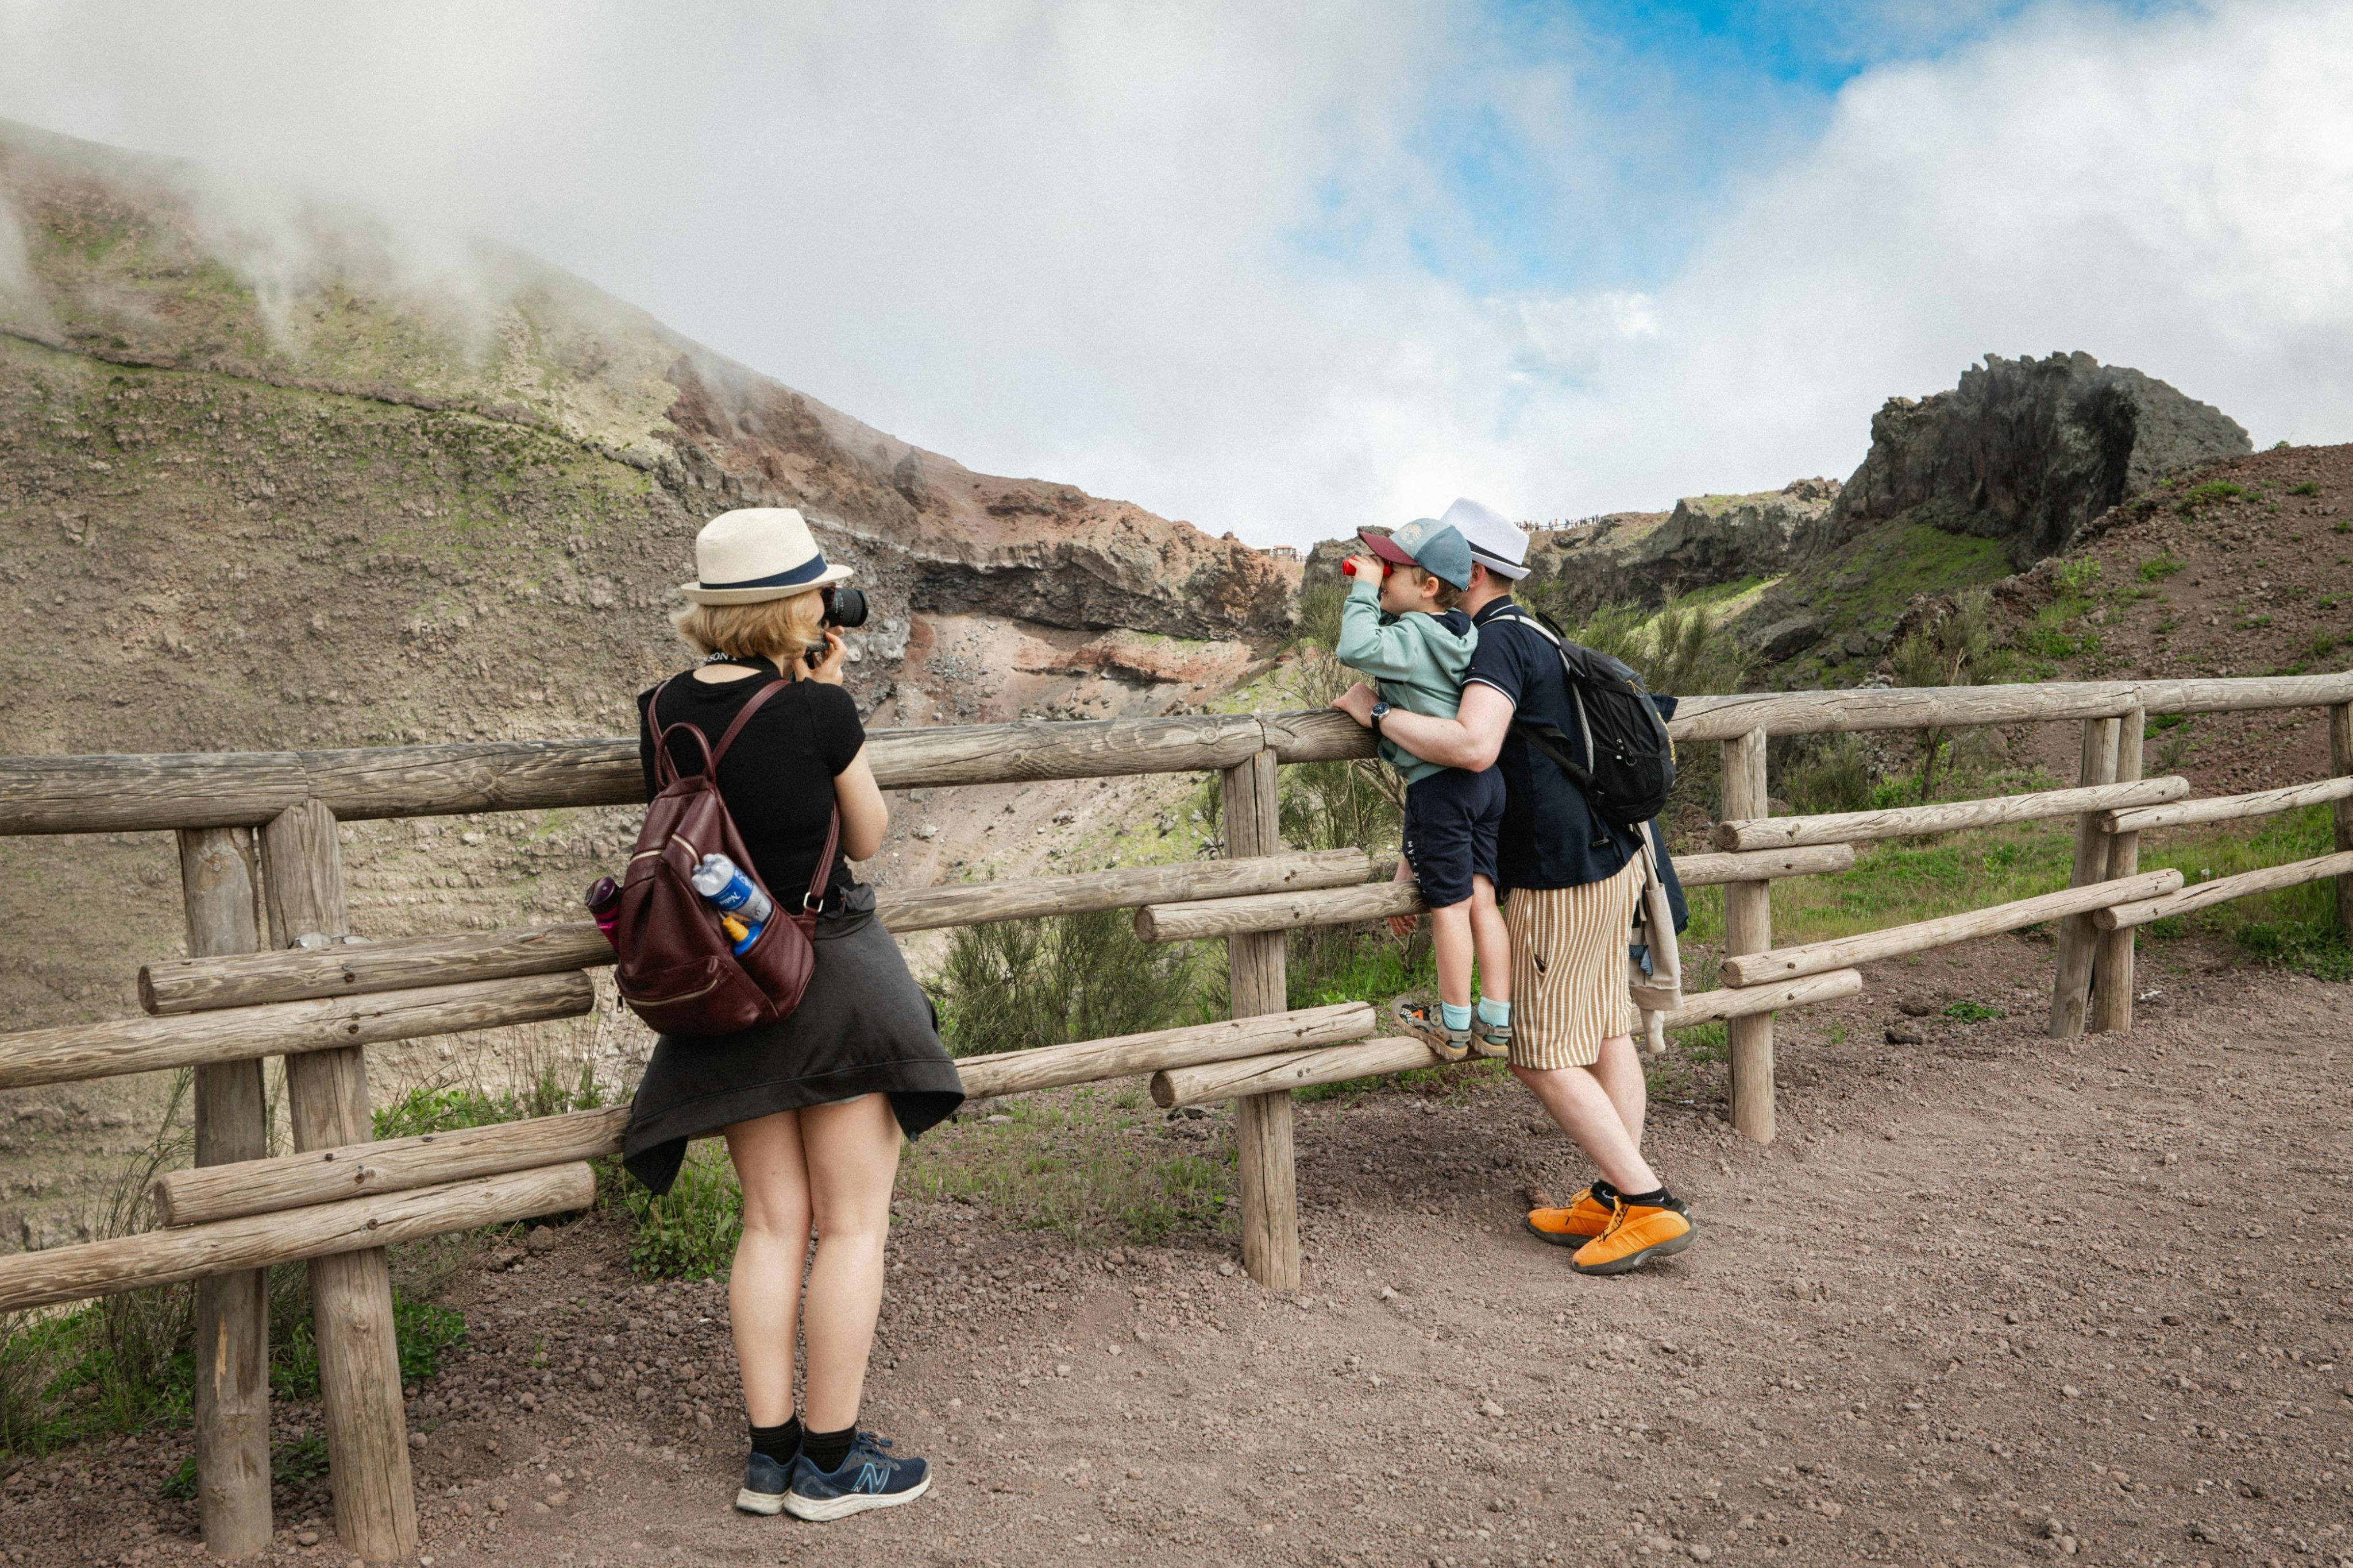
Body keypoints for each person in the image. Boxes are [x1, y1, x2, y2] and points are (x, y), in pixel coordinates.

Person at [621, 507, 964, 1519]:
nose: (829, 602)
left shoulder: (659, 712)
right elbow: (865, 835)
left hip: (725, 988)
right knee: (852, 1226)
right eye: (818, 590)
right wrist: (825, 699)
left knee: (771, 1224)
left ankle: (769, 1457)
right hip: (830, 981)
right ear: (793, 608)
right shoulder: (818, 713)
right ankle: (832, 1461)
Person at [1332, 497, 1695, 1278]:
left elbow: (1472, 744)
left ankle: (1647, 1200)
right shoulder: (1536, 630)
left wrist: (1382, 715)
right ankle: (1613, 1193)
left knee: (1533, 1051)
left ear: (1463, 571)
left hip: (1563, 871)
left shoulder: (1495, 642)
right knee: (1604, 1032)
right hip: (1614, 851)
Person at [1333, 516, 1514, 1062]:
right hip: (1485, 785)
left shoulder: (1412, 635)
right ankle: (1497, 1021)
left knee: (1450, 909)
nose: (1383, 574)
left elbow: (1355, 647)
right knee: (1483, 901)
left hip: (1441, 784)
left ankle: (1453, 1024)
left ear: (1429, 586)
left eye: (1394, 568)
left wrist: (1363, 590)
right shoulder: (1464, 631)